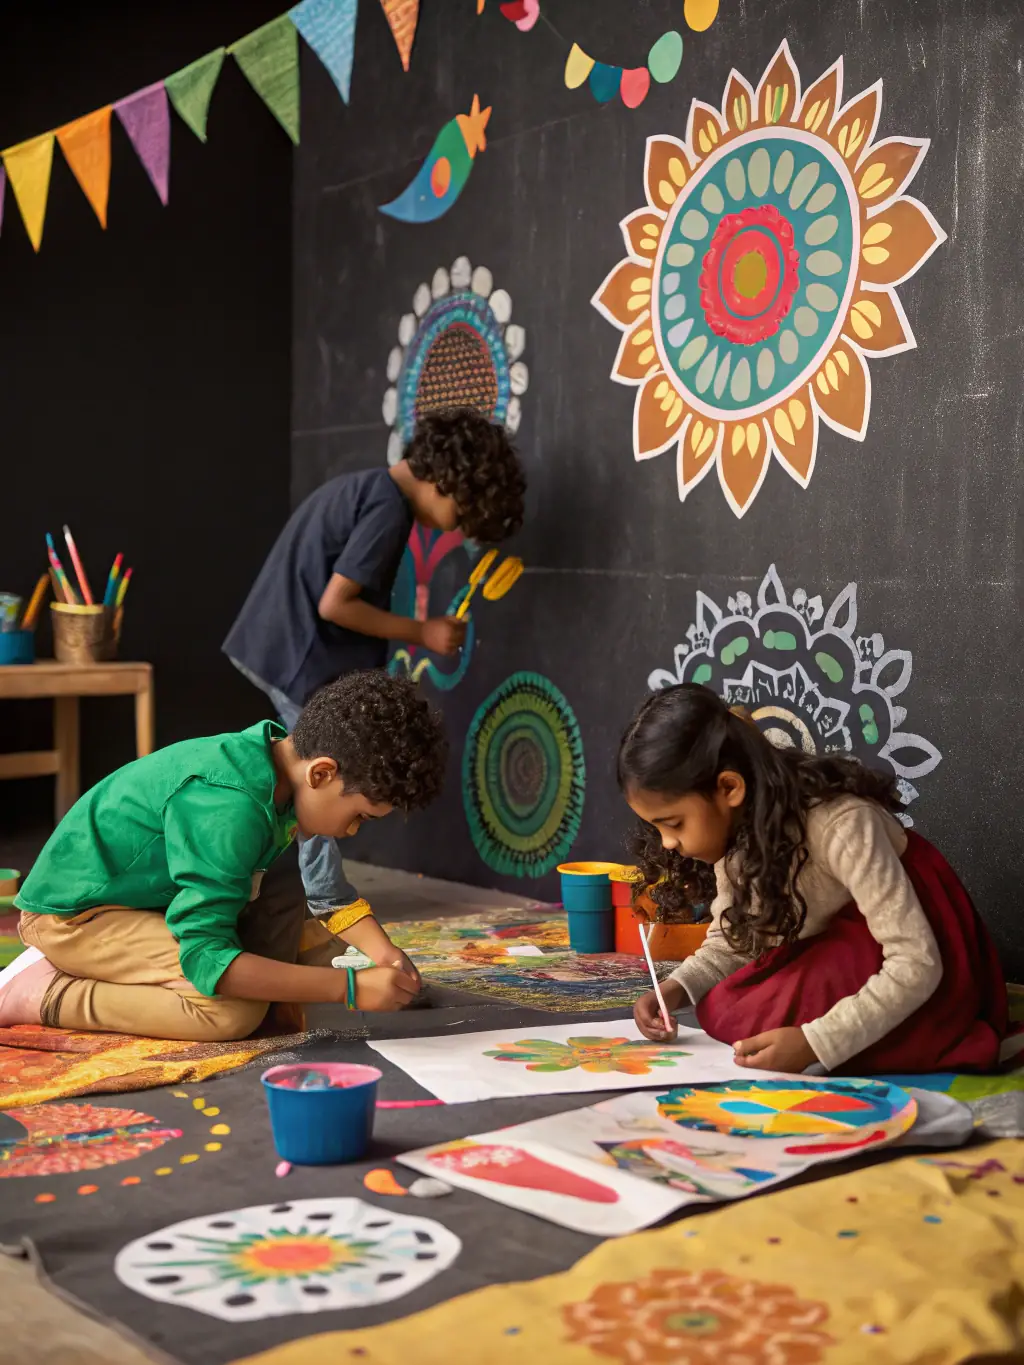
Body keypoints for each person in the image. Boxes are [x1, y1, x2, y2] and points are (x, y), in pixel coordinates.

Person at [223, 406, 526, 964]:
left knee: (308, 777)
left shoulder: (364, 487)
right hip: (299, 657)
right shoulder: (388, 510)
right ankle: (326, 898)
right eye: (461, 511)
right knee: (322, 777)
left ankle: (293, 887)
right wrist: (422, 632)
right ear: (446, 481)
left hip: (278, 646)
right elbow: (336, 604)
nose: (455, 527)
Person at [0, 672, 446, 1042]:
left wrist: (380, 957)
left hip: (148, 903)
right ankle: (41, 993)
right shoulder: (229, 806)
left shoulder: (278, 770)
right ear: (322, 772)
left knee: (314, 951)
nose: (350, 832)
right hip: (76, 918)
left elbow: (317, 898)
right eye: (360, 818)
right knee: (232, 1015)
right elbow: (206, 957)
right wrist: (348, 988)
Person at [620, 683, 1007, 1075]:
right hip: (839, 945)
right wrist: (677, 988)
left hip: (922, 956)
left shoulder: (842, 823)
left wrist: (815, 1043)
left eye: (674, 824)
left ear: (729, 788)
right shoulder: (737, 833)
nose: (668, 843)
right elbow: (737, 938)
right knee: (722, 1007)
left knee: (759, 1020)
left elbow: (917, 962)